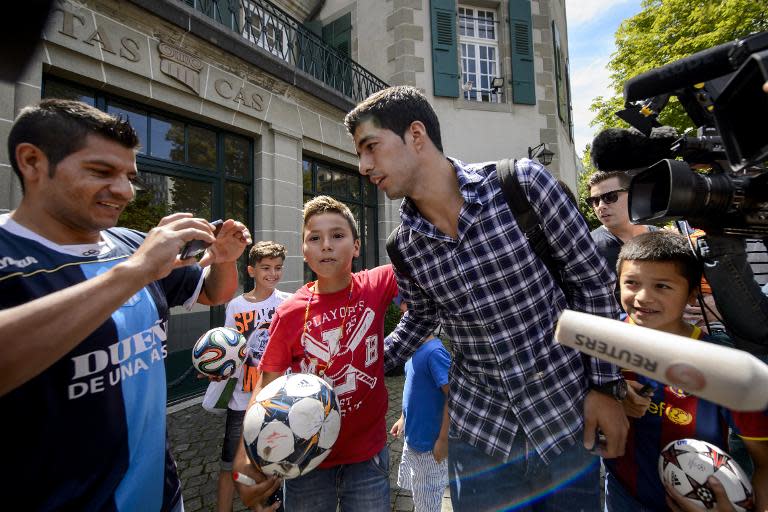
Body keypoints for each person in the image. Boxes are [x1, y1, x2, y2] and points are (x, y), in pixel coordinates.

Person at [345, 86, 630, 511]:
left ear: (416, 134)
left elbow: (592, 285)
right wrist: (357, 363)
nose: (365, 166)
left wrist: (607, 388)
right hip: (480, 435)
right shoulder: (403, 246)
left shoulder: (523, 185)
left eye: (371, 147)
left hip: (565, 418)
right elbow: (421, 317)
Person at [0, 99, 251, 510]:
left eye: (128, 176)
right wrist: (134, 272)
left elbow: (211, 293)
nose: (124, 190)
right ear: (32, 162)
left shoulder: (132, 243)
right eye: (101, 171)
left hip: (161, 496)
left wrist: (225, 259)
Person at [233, 195, 398, 511]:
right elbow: (267, 383)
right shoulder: (290, 312)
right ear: (304, 251)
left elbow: (420, 253)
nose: (326, 245)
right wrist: (246, 454)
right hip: (303, 460)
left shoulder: (377, 284)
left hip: (367, 456)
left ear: (357, 246)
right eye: (315, 238)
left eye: (338, 235)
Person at [604, 230, 768, 512]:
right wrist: (611, 392)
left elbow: (764, 459)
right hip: (621, 496)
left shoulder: (723, 367)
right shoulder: (600, 342)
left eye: (662, 286)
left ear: (693, 295)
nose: (643, 297)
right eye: (631, 283)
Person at [208, 241, 290, 512]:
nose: (273, 273)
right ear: (251, 270)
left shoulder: (287, 302)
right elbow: (227, 349)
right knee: (230, 463)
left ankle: (266, 505)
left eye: (278, 268)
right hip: (241, 398)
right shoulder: (235, 306)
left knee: (273, 458)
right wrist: (214, 367)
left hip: (275, 397)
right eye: (266, 268)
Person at [389, 301, 450, 512]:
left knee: (428, 500)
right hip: (414, 439)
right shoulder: (412, 350)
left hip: (430, 446)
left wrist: (443, 440)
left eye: (407, 317)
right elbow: (413, 390)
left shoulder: (435, 353)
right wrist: (402, 418)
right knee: (419, 493)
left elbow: (452, 396)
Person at [588, 170, 657, 276]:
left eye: (610, 196)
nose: (601, 206)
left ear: (632, 195)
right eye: (595, 201)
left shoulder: (658, 236)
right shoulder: (590, 247)